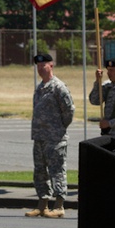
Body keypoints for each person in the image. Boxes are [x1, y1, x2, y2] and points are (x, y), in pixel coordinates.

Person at [27, 53, 75, 219]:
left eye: (44, 66)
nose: (41, 69)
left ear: (51, 65)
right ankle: (42, 205)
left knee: (57, 171)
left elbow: (69, 111)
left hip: (55, 138)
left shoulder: (59, 87)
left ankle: (59, 205)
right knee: (40, 172)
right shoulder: (40, 87)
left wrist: (59, 128)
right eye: (38, 66)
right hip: (39, 137)